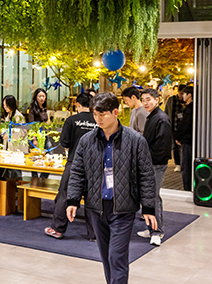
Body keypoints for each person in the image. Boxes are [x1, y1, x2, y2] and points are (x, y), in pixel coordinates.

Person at [67, 92, 156, 284]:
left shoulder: (135, 140)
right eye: (95, 114)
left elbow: (146, 175)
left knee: (117, 256)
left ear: (115, 112)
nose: (98, 119)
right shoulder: (86, 141)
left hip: (123, 208)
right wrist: (73, 200)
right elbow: (77, 172)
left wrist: (148, 207)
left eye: (102, 114)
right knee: (106, 256)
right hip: (96, 207)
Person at [45, 92, 96, 241]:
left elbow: (65, 143)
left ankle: (57, 229)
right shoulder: (98, 120)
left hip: (75, 163)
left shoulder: (71, 120)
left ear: (77, 104)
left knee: (65, 194)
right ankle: (95, 234)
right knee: (93, 198)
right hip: (94, 165)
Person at [138, 88, 173, 246]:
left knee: (152, 197)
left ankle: (157, 232)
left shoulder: (161, 118)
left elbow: (162, 147)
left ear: (156, 100)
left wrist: (146, 160)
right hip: (149, 163)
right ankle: (151, 227)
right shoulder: (152, 116)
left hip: (156, 164)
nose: (145, 103)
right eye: (143, 100)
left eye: (148, 99)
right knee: (148, 196)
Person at [175, 86, 193, 191]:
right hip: (190, 140)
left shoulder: (189, 109)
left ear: (189, 95)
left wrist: (178, 137)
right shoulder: (195, 107)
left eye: (184, 94)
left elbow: (184, 125)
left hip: (187, 141)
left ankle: (187, 188)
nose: (183, 96)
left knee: (186, 166)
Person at [165, 84, 186, 172]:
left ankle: (183, 163)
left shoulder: (186, 101)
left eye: (183, 94)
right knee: (174, 147)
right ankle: (177, 164)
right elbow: (166, 112)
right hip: (173, 127)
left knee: (183, 147)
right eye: (180, 93)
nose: (182, 96)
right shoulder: (171, 100)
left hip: (184, 128)